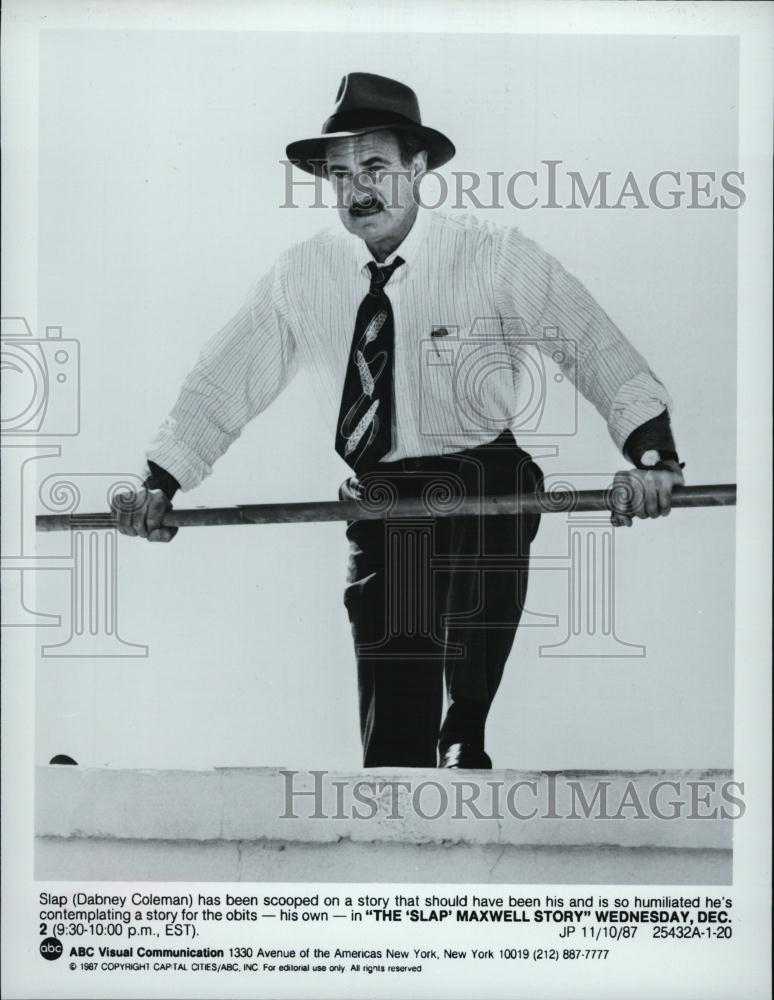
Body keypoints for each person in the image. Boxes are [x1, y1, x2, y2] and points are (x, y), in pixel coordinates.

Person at [114, 73, 684, 770]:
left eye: (378, 167)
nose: (360, 189)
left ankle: (463, 730)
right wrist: (158, 483)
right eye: (342, 173)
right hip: (384, 494)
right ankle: (400, 792)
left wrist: (652, 457)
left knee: (490, 502)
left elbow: (594, 345)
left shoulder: (492, 254)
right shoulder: (301, 276)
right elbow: (221, 382)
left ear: (417, 169)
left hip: (481, 476)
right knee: (393, 722)